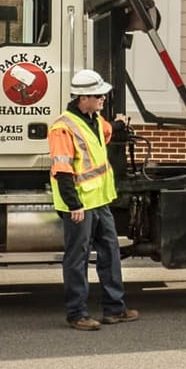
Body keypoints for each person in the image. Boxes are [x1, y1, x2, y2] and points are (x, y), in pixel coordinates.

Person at [50, 68, 139, 331]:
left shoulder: (96, 120)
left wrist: (122, 123)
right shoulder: (62, 128)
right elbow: (62, 169)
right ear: (83, 97)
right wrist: (73, 204)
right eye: (99, 95)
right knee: (77, 259)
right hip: (80, 205)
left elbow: (110, 131)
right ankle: (77, 314)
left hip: (100, 201)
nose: (103, 98)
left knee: (110, 252)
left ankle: (114, 309)